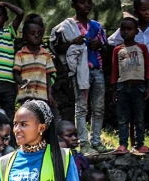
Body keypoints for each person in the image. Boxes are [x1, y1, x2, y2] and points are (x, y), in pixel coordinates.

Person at [50, 0, 107, 155]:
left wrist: (99, 46)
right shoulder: (66, 27)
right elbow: (57, 47)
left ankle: (96, 141)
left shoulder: (96, 26)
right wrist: (71, 42)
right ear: (73, 5)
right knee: (81, 107)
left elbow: (105, 46)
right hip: (81, 73)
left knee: (99, 108)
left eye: (89, 3)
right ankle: (84, 143)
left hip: (97, 70)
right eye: (82, 2)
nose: (86, 6)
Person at [111, 17, 149, 155]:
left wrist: (148, 86)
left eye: (129, 29)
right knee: (123, 118)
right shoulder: (117, 50)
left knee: (139, 118)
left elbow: (148, 68)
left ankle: (140, 144)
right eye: (123, 29)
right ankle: (123, 145)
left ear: (136, 31)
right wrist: (114, 89)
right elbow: (114, 71)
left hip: (139, 86)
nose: (126, 32)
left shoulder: (142, 48)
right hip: (122, 87)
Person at [14, 22, 57, 105]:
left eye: (39, 34)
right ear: (25, 36)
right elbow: (16, 73)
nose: (36, 36)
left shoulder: (46, 54)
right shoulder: (20, 54)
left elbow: (48, 75)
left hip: (42, 96)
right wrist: (21, 82)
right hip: (26, 95)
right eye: (32, 33)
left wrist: (49, 94)